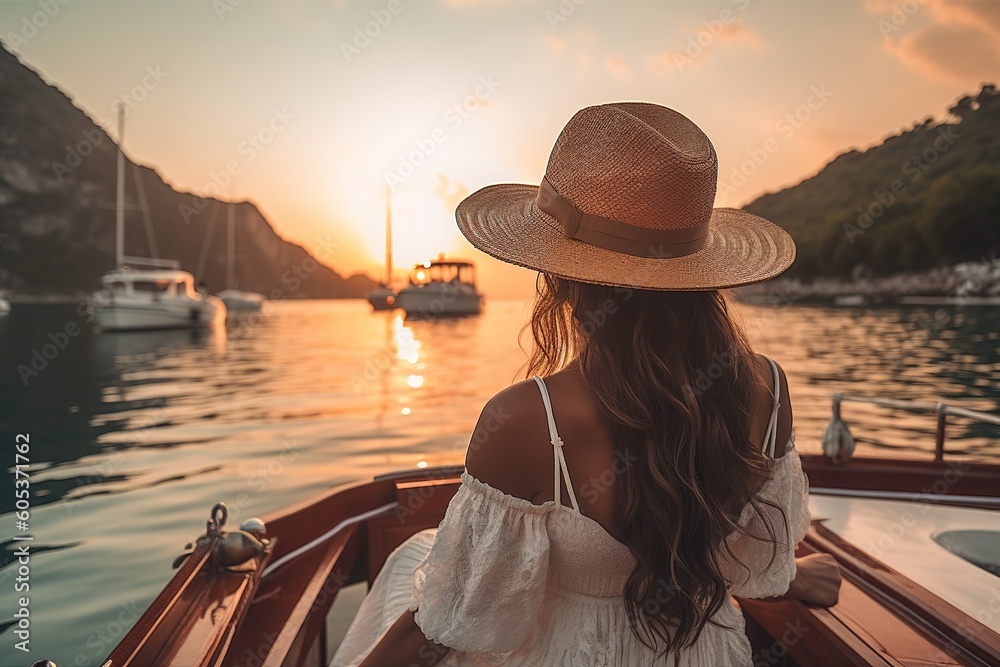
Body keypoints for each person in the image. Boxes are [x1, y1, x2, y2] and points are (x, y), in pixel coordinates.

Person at [332, 102, 841, 666]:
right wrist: (794, 580)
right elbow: (741, 563)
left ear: (561, 278)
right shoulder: (768, 389)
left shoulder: (529, 420)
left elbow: (447, 624)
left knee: (412, 561)